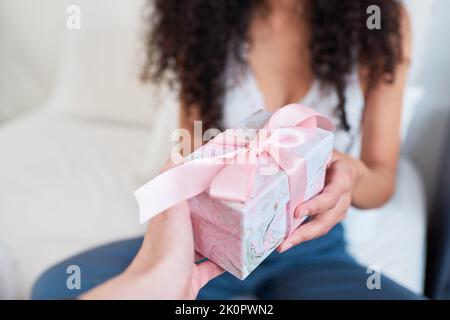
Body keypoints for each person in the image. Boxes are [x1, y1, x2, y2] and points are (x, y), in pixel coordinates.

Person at [32, 0, 423, 299]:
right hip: (208, 246)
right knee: (54, 287)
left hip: (311, 249)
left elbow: (382, 176)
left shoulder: (383, 24)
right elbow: (190, 147)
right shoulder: (199, 15)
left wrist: (347, 175)